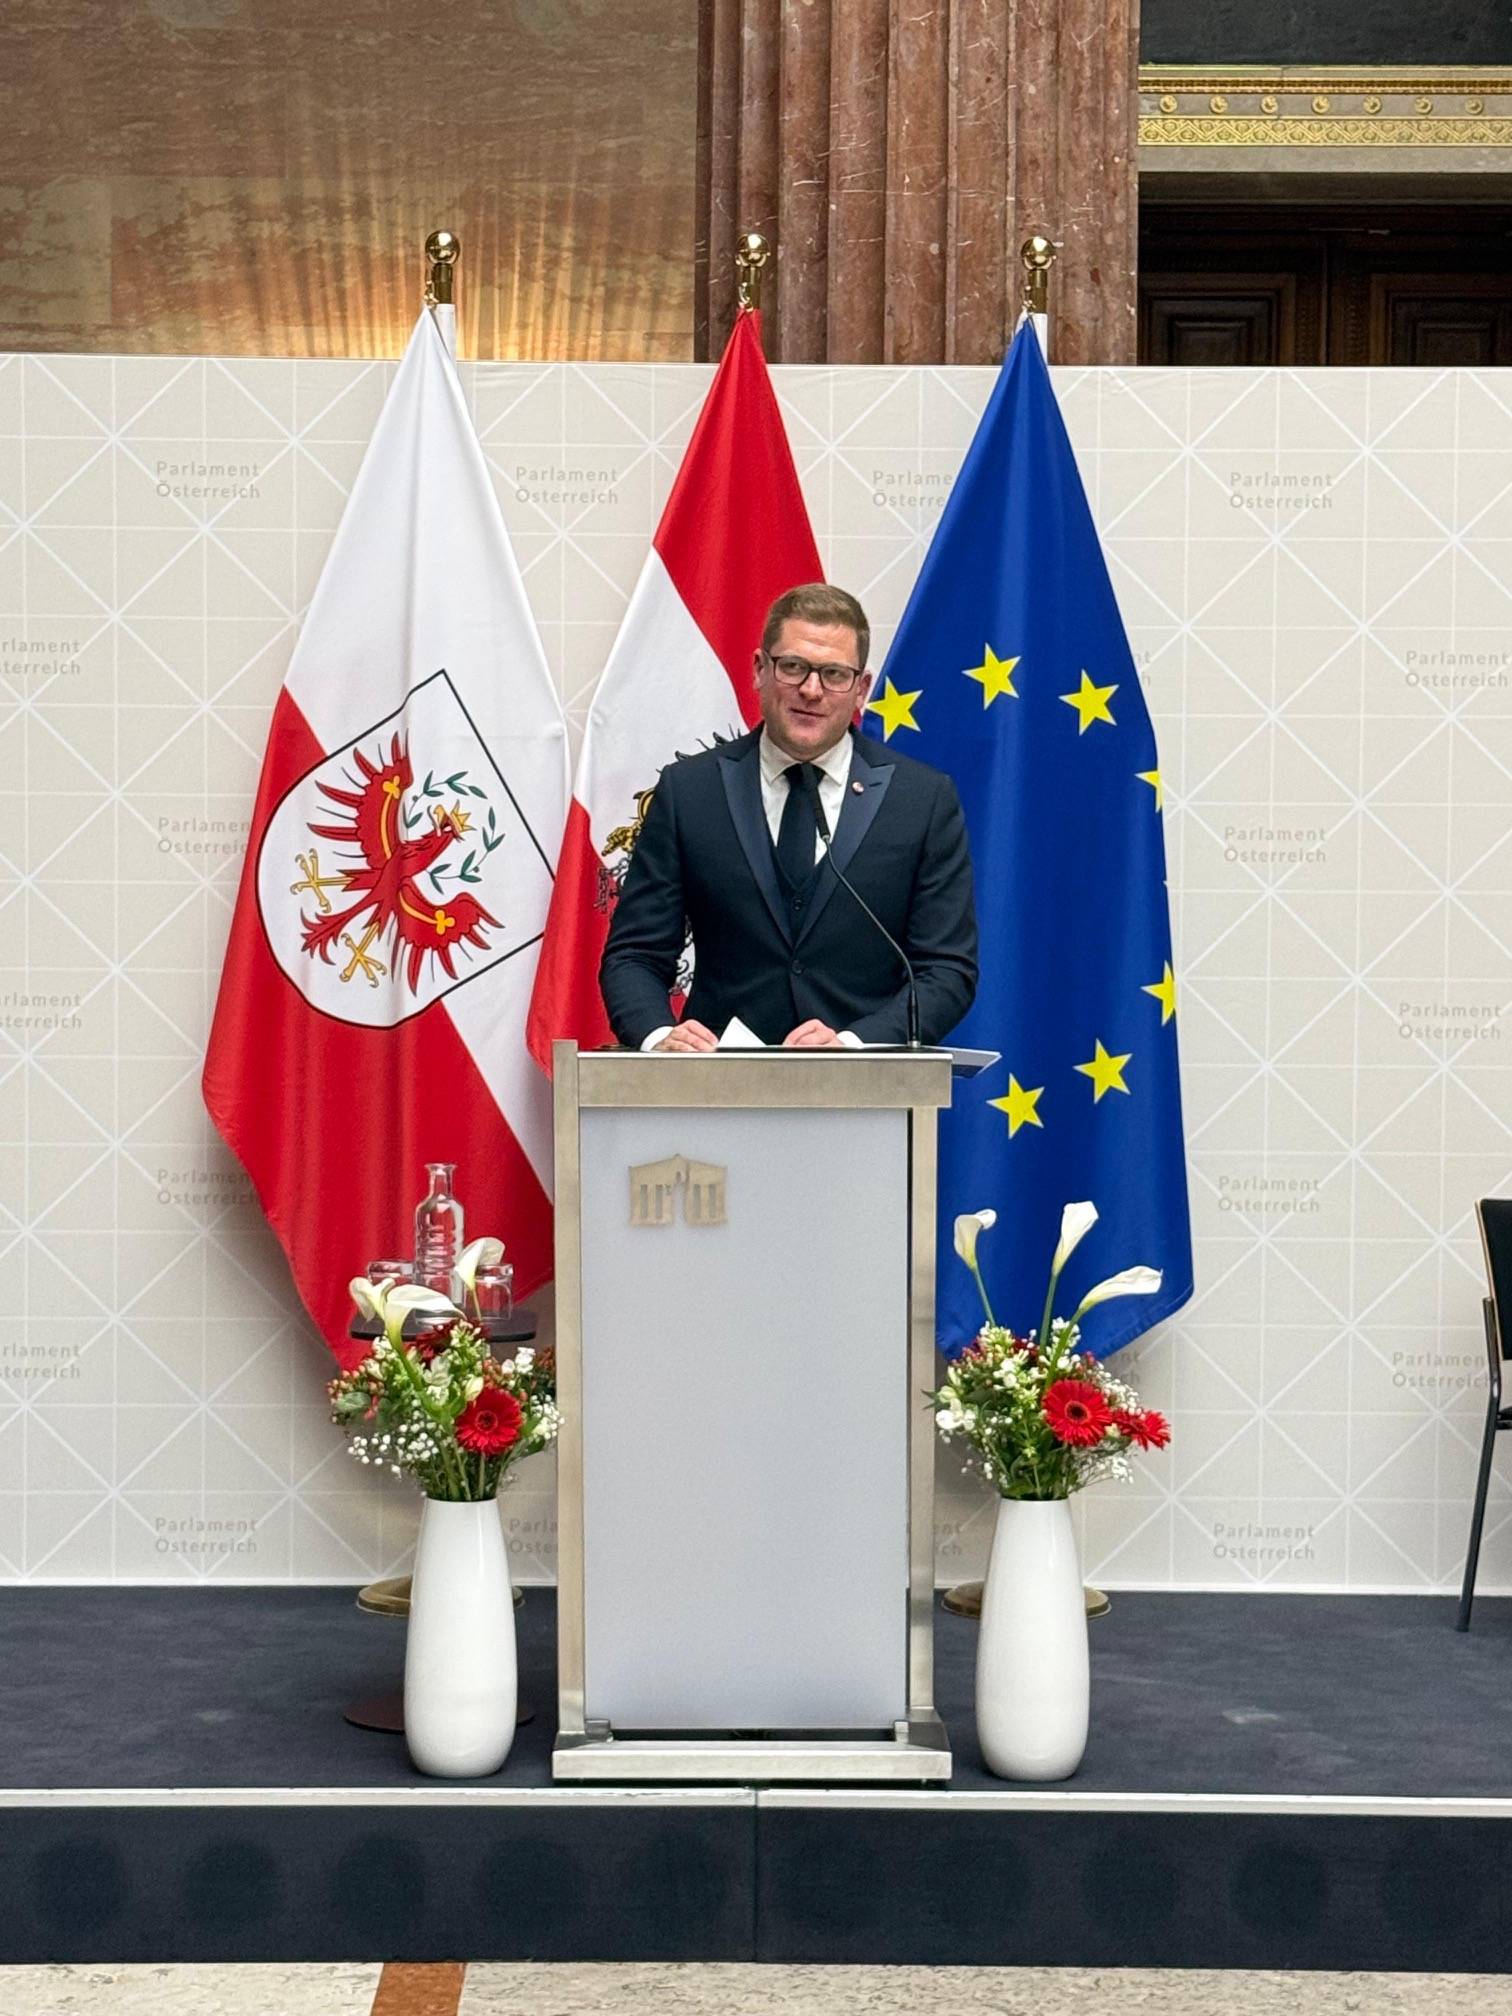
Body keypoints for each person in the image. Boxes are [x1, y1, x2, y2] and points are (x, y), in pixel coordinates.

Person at [599, 583, 978, 1051]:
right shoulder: (690, 791)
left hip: (864, 1100)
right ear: (760, 669)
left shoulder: (921, 800)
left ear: (861, 689)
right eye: (793, 667)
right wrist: (658, 1038)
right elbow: (635, 954)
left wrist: (855, 1043)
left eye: (835, 674)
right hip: (712, 1094)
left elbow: (946, 970)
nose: (811, 690)